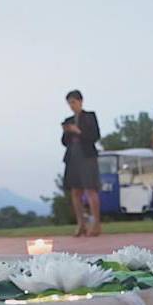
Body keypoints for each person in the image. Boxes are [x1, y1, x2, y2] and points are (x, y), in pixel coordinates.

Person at [61, 89, 102, 237]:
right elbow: (64, 142)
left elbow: (95, 136)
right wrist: (67, 131)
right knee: (75, 191)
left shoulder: (90, 117)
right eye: (69, 103)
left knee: (90, 189)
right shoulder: (68, 120)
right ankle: (81, 224)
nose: (71, 106)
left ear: (80, 101)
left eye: (73, 102)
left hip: (87, 156)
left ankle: (96, 223)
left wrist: (78, 131)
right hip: (73, 156)